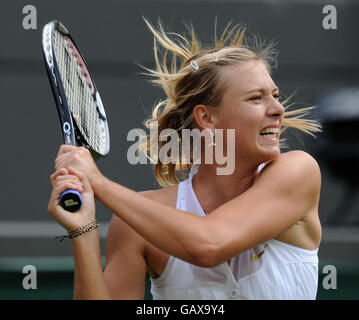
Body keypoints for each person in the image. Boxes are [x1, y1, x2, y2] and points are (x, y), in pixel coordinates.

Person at [48, 20, 322, 300]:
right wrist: (83, 232)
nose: (278, 109)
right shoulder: (134, 224)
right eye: (256, 98)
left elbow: (207, 245)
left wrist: (97, 182)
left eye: (275, 95)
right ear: (207, 118)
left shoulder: (299, 172)